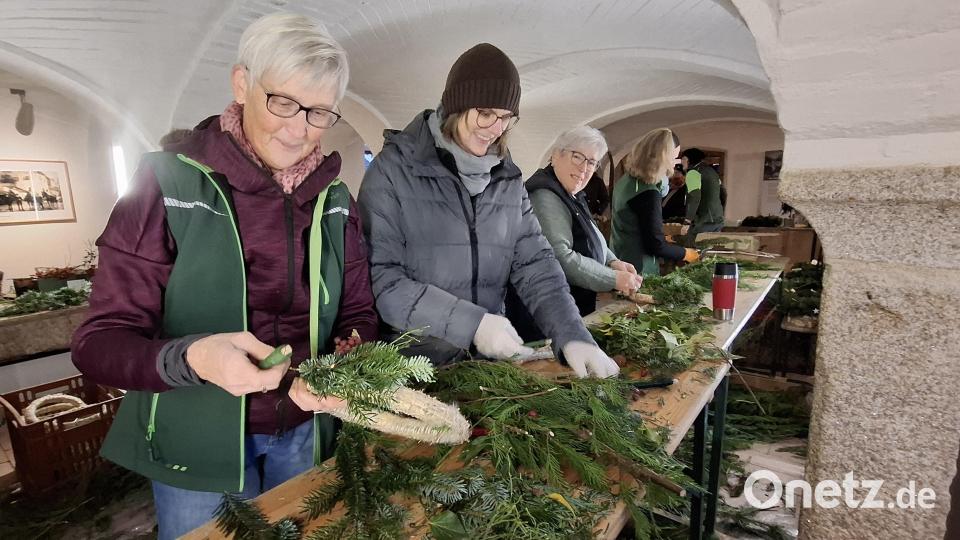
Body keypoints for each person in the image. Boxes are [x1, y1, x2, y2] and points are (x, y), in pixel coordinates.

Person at [70, 13, 378, 539]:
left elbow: (357, 313)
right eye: (282, 101)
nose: (297, 127)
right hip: (197, 442)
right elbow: (98, 344)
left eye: (319, 112)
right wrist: (193, 358)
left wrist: (340, 368)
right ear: (242, 83)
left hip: (304, 431)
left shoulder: (335, 200)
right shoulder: (164, 183)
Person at [358, 43, 618, 379]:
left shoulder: (507, 178)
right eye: (485, 113)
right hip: (412, 372)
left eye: (506, 117)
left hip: (485, 370)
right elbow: (383, 281)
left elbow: (536, 265)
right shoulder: (392, 171)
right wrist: (473, 324)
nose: (496, 128)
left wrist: (571, 333)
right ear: (455, 106)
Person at [505, 126, 642, 340]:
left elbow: (591, 233)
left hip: (568, 306)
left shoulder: (570, 192)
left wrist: (612, 261)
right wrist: (613, 278)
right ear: (555, 155)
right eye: (577, 157)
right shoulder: (545, 195)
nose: (584, 168)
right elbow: (560, 257)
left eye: (591, 162)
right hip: (545, 314)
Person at [610, 128, 699, 275]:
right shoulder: (648, 192)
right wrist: (686, 253)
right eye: (674, 157)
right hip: (638, 268)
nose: (674, 163)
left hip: (620, 258)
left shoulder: (627, 181)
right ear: (663, 157)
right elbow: (655, 245)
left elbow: (633, 223)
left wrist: (657, 234)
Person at [681, 147, 725, 246]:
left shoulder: (693, 173)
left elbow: (694, 197)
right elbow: (723, 193)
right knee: (710, 254)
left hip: (702, 221)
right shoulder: (712, 172)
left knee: (693, 253)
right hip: (717, 220)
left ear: (688, 159)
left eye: (683, 159)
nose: (681, 162)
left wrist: (687, 221)